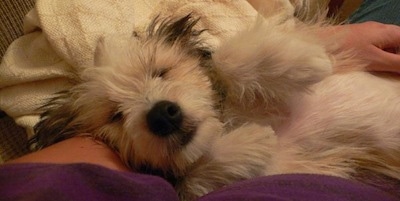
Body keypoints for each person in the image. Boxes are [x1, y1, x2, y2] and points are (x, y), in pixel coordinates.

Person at [1, 1, 400, 200]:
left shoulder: (229, 69)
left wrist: (319, 44)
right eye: (117, 117)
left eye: (161, 73)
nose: (159, 108)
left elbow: (302, 62)